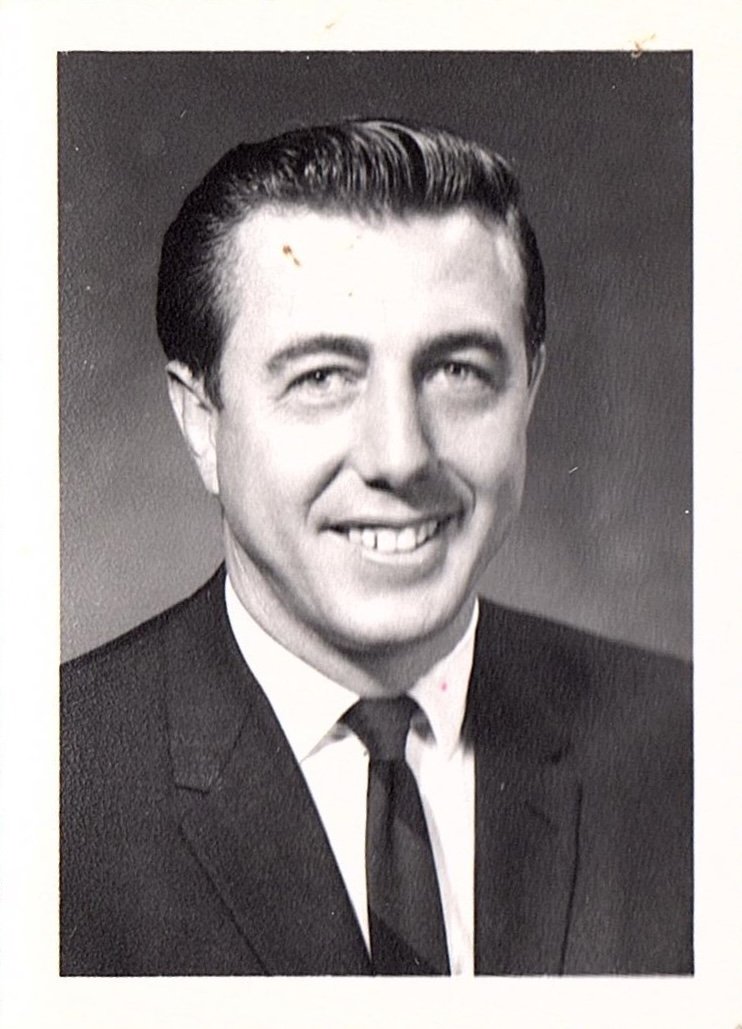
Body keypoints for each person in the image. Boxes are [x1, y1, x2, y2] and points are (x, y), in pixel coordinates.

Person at [60, 118, 692, 976]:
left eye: (458, 370)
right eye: (322, 376)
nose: (400, 455)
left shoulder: (693, 745)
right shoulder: (44, 783)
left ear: (530, 390)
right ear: (200, 420)